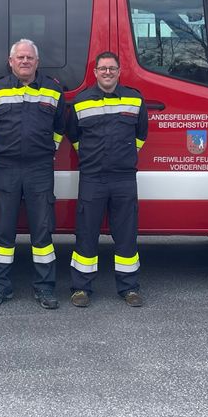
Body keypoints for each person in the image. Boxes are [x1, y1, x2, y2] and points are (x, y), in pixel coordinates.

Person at [0, 39, 66, 310]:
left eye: (29, 58)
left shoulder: (53, 89)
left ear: (37, 62)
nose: (25, 61)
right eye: (20, 57)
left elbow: (60, 127)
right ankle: (0, 287)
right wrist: (6, 149)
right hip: (6, 167)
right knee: (3, 231)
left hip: (39, 167)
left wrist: (46, 148)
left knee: (42, 232)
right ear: (11, 61)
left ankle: (44, 288)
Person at [66, 51, 148, 308]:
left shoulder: (134, 99)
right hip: (93, 177)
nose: (107, 73)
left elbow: (141, 134)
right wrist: (91, 156)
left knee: (125, 234)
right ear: (95, 72)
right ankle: (81, 289)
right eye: (103, 69)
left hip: (123, 177)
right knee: (86, 234)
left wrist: (124, 156)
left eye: (112, 68)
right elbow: (74, 135)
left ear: (119, 71)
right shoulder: (80, 102)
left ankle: (129, 288)